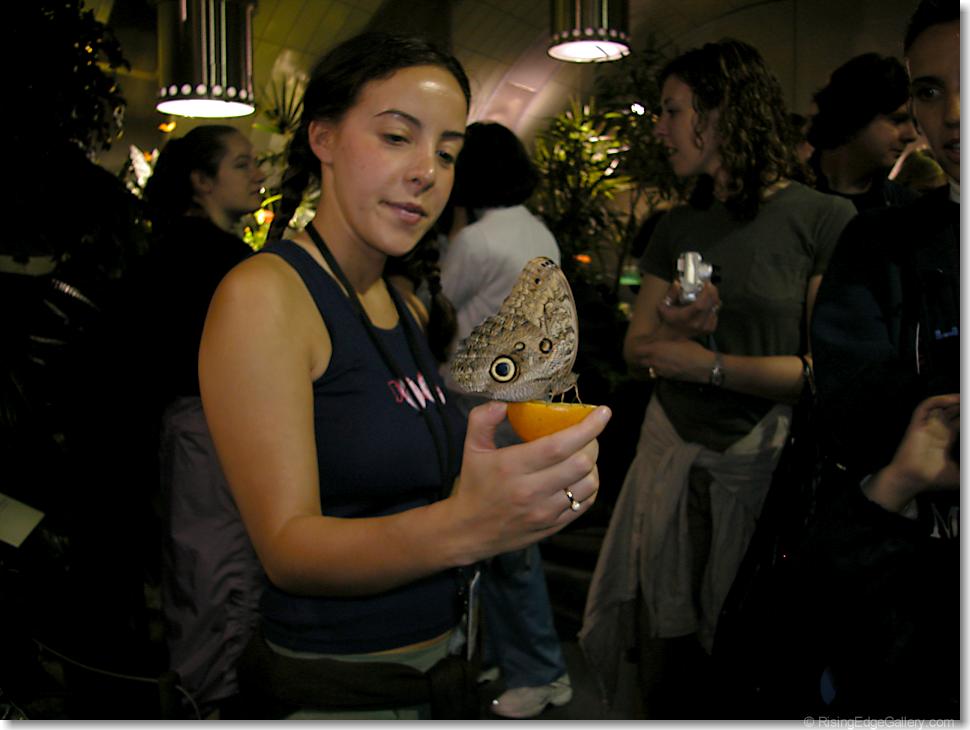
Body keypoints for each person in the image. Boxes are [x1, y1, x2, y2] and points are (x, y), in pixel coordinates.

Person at [197, 33, 610, 720]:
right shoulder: (266, 296)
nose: (427, 172)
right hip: (338, 691)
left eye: (447, 153)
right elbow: (288, 549)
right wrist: (470, 525)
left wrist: (527, 485)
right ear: (323, 138)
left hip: (441, 673)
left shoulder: (403, 301)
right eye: (396, 137)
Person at [578, 38, 857, 718]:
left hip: (761, 462)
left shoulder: (822, 217)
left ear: (724, 110)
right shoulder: (677, 224)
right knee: (661, 647)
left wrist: (706, 364)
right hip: (670, 454)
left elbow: (823, 373)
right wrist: (678, 328)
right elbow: (638, 347)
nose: (660, 127)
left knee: (745, 648)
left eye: (673, 110)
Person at [798, 0, 959, 717]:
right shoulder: (882, 245)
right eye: (930, 90)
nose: (953, 115)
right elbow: (856, 419)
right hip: (909, 611)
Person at [438, 121, 571, 719]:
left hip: (481, 404)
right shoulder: (537, 230)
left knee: (505, 547)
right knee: (505, 544)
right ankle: (514, 657)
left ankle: (540, 672)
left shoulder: (476, 240)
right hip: (527, 397)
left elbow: (440, 308)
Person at [139, 124, 267, 718]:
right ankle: (210, 700)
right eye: (242, 164)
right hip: (211, 425)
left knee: (204, 567)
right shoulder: (213, 259)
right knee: (217, 567)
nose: (258, 174)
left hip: (194, 427)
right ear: (201, 181)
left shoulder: (179, 249)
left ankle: (206, 693)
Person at [806, 52, 920, 211]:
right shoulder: (786, 197)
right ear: (853, 115)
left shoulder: (908, 209)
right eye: (897, 120)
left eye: (914, 122)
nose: (912, 135)